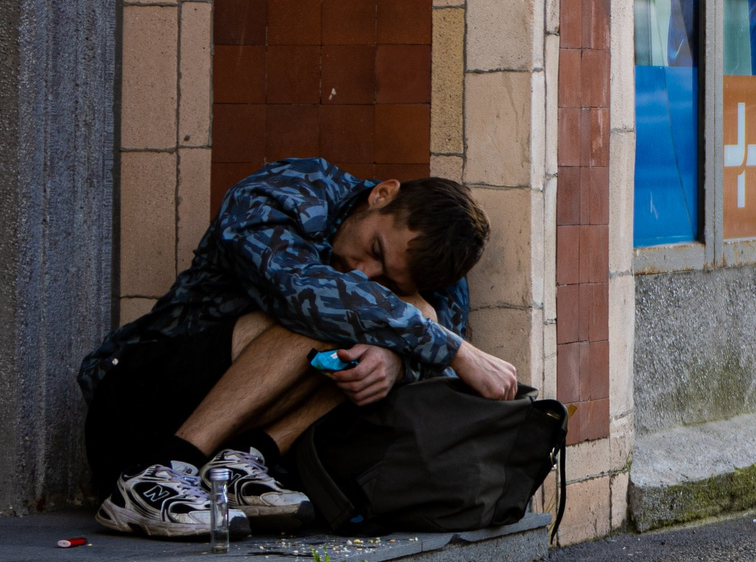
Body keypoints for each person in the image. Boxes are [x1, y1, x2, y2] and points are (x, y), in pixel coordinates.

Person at [78, 159, 519, 540]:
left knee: (386, 333)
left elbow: (423, 339)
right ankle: (162, 470)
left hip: (238, 446)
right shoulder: (291, 189)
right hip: (135, 406)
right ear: (382, 195)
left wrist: (395, 359)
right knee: (340, 313)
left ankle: (242, 465)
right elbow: (305, 296)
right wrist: (452, 348)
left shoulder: (431, 278)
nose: (367, 273)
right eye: (374, 249)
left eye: (389, 279)